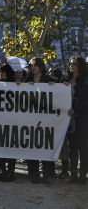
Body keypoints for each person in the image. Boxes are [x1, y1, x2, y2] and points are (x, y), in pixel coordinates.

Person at [23, 57, 55, 184]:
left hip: (46, 118)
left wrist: (55, 86)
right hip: (31, 118)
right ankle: (34, 173)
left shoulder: (49, 80)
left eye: (35, 65)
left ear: (41, 67)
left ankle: (46, 174)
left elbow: (61, 89)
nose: (33, 67)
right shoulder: (28, 79)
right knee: (32, 146)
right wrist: (24, 85)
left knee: (45, 145)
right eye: (31, 65)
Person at [61, 56, 88, 184]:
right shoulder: (65, 79)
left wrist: (75, 109)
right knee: (72, 148)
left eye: (75, 64)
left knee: (83, 148)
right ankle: (73, 175)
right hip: (69, 120)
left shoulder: (86, 80)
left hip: (82, 119)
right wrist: (56, 85)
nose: (72, 66)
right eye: (70, 63)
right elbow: (56, 93)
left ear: (80, 66)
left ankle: (83, 175)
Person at [0, 64, 17, 182]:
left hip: (11, 121)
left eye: (3, 72)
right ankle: (2, 170)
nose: (1, 74)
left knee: (11, 148)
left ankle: (11, 171)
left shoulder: (16, 85)